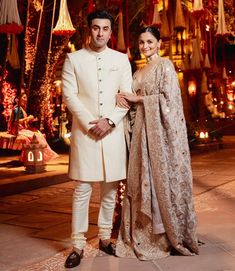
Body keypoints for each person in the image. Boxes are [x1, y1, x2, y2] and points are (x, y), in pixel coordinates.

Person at [115, 26, 199, 260]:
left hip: (160, 135)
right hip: (142, 131)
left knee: (158, 178)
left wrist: (139, 98)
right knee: (142, 180)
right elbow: (131, 101)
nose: (145, 46)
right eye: (141, 42)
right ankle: (144, 233)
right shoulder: (138, 72)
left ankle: (165, 234)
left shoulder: (165, 66)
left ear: (159, 43)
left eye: (150, 42)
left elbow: (169, 101)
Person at [61, 10, 132, 268]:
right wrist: (90, 122)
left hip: (112, 133)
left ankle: (104, 238)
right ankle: (77, 244)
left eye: (105, 28)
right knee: (82, 190)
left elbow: (127, 95)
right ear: (88, 30)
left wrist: (109, 121)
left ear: (111, 32)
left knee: (110, 189)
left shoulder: (121, 59)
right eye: (95, 28)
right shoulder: (74, 59)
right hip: (85, 132)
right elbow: (69, 96)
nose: (100, 33)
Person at [8, 92, 58, 162]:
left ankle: (39, 157)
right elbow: (17, 122)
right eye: (24, 98)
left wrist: (31, 119)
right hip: (17, 130)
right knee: (36, 136)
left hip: (22, 129)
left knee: (40, 134)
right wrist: (28, 118)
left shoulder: (21, 109)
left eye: (26, 98)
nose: (25, 100)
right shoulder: (17, 109)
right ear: (18, 100)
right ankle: (31, 158)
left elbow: (23, 121)